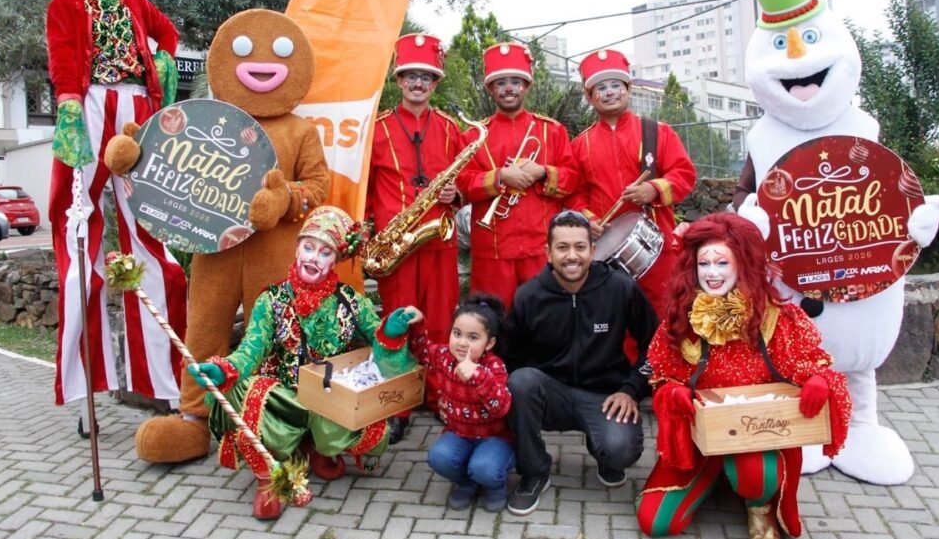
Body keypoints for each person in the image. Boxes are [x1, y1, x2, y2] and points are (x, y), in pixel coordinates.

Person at [637, 213, 851, 539]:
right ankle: (718, 478)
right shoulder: (683, 317)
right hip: (700, 438)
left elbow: (813, 364)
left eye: (722, 262)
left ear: (743, 264)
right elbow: (662, 377)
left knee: (755, 475)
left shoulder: (776, 317)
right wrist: (671, 393)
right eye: (704, 263)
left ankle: (758, 505)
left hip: (758, 433)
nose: (712, 273)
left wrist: (818, 381)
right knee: (657, 523)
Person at [187, 206, 413, 520]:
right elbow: (251, 349)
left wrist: (389, 333)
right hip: (285, 398)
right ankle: (269, 480)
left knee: (369, 413)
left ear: (335, 260)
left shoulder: (350, 300)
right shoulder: (272, 300)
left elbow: (379, 348)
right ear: (297, 249)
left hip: (329, 400)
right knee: (245, 391)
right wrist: (224, 368)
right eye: (308, 247)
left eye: (324, 252)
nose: (313, 258)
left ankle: (317, 448)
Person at [46, 0, 187, 406]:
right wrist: (67, 104)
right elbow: (62, 53)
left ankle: (165, 381)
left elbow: (167, 34)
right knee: (80, 233)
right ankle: (86, 382)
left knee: (149, 230)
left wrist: (163, 61)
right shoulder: (66, 0)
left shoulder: (135, 0)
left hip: (136, 111)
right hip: (88, 107)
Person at [500, 210, 657, 516]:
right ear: (548, 253)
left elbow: (655, 345)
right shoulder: (528, 296)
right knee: (520, 382)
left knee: (621, 451)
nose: (572, 256)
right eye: (562, 247)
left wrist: (631, 389)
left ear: (593, 250)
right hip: (552, 394)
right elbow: (510, 358)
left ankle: (603, 451)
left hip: (605, 396)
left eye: (580, 247)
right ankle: (534, 472)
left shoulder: (620, 288)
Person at [367, 34, 464, 442]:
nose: (418, 83)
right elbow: (366, 189)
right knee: (397, 322)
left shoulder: (451, 129)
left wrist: (456, 194)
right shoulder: (377, 129)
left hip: (438, 240)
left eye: (426, 77)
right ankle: (398, 404)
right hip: (397, 246)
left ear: (435, 83)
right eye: (411, 76)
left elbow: (467, 180)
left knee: (440, 321)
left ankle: (439, 395)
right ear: (399, 80)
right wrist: (368, 231)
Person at [568, 49, 696, 315]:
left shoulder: (658, 132)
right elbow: (574, 194)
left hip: (657, 243)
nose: (610, 92)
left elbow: (684, 174)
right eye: (601, 88)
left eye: (616, 85)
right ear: (590, 96)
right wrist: (588, 220)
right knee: (614, 317)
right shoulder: (580, 144)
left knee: (665, 313)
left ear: (628, 89)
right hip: (606, 252)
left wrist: (654, 189)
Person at [459, 42, 580, 309]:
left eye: (516, 82)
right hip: (493, 251)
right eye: (500, 83)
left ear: (526, 86)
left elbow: (572, 178)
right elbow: (463, 183)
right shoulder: (473, 136)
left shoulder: (553, 130)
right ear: (491, 89)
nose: (509, 88)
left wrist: (543, 172)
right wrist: (500, 177)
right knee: (493, 321)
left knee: (546, 318)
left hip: (541, 248)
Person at [402, 295, 514, 512]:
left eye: (473, 337)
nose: (462, 343)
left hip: (495, 438)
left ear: (489, 343)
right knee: (439, 458)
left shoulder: (494, 367)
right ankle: (466, 483)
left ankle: (495, 486)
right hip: (460, 433)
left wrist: (478, 376)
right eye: (457, 333)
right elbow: (422, 351)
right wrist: (418, 323)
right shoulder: (444, 356)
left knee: (485, 468)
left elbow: (502, 407)